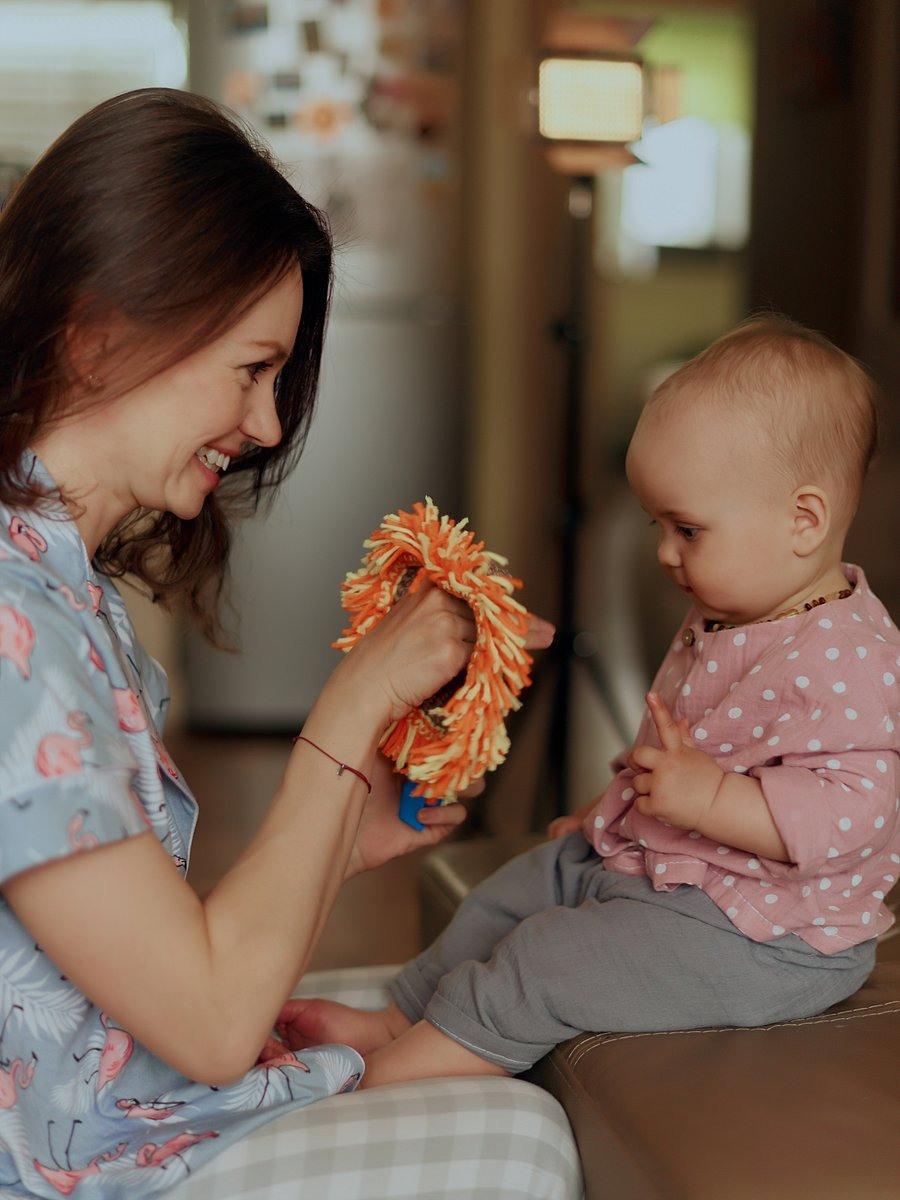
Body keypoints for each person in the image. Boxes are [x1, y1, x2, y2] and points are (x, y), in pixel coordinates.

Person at [0, 89, 583, 1200]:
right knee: (523, 1141)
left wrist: (338, 836)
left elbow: (155, 962)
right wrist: (350, 708)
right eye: (248, 369)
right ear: (96, 338)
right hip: (73, 1162)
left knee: (488, 1048)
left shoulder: (58, 586)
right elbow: (216, 1021)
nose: (267, 425)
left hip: (116, 1105)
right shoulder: (14, 622)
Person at [277, 316, 900, 1088]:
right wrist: (617, 810)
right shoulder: (731, 612)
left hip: (770, 936)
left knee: (550, 960)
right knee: (519, 890)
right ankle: (403, 1016)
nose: (665, 551)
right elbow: (686, 745)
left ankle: (392, 1077)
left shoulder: (850, 658)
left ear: (803, 521)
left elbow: (859, 812)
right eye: (657, 524)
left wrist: (710, 800)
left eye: (688, 529)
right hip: (678, 871)